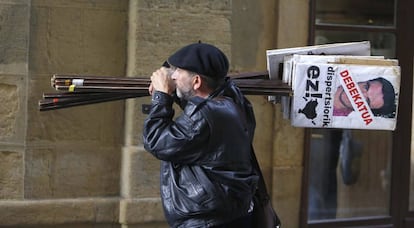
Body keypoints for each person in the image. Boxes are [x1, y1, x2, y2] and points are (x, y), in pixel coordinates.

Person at [143, 43, 259, 228]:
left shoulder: (204, 116)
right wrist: (173, 91)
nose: (172, 76)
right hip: (231, 213)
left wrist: (162, 97)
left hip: (208, 221)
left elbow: (156, 141)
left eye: (178, 71)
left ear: (196, 81)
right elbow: (196, 109)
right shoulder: (235, 102)